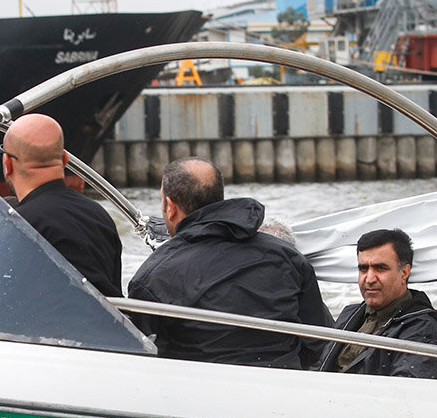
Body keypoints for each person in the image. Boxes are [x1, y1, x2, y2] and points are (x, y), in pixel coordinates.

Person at [127, 157, 332, 368]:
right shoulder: (287, 256)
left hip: (197, 387)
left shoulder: (153, 276)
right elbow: (316, 341)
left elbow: (135, 347)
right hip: (282, 382)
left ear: (170, 207)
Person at [1, 113, 123, 297]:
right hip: (106, 323)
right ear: (65, 159)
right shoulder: (99, 215)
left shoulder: (16, 224)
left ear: (7, 163)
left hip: (44, 325)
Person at [314, 228, 437, 380]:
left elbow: (404, 395)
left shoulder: (425, 331)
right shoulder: (350, 314)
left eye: (380, 268)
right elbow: (319, 368)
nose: (369, 279)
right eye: (363, 269)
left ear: (404, 273)